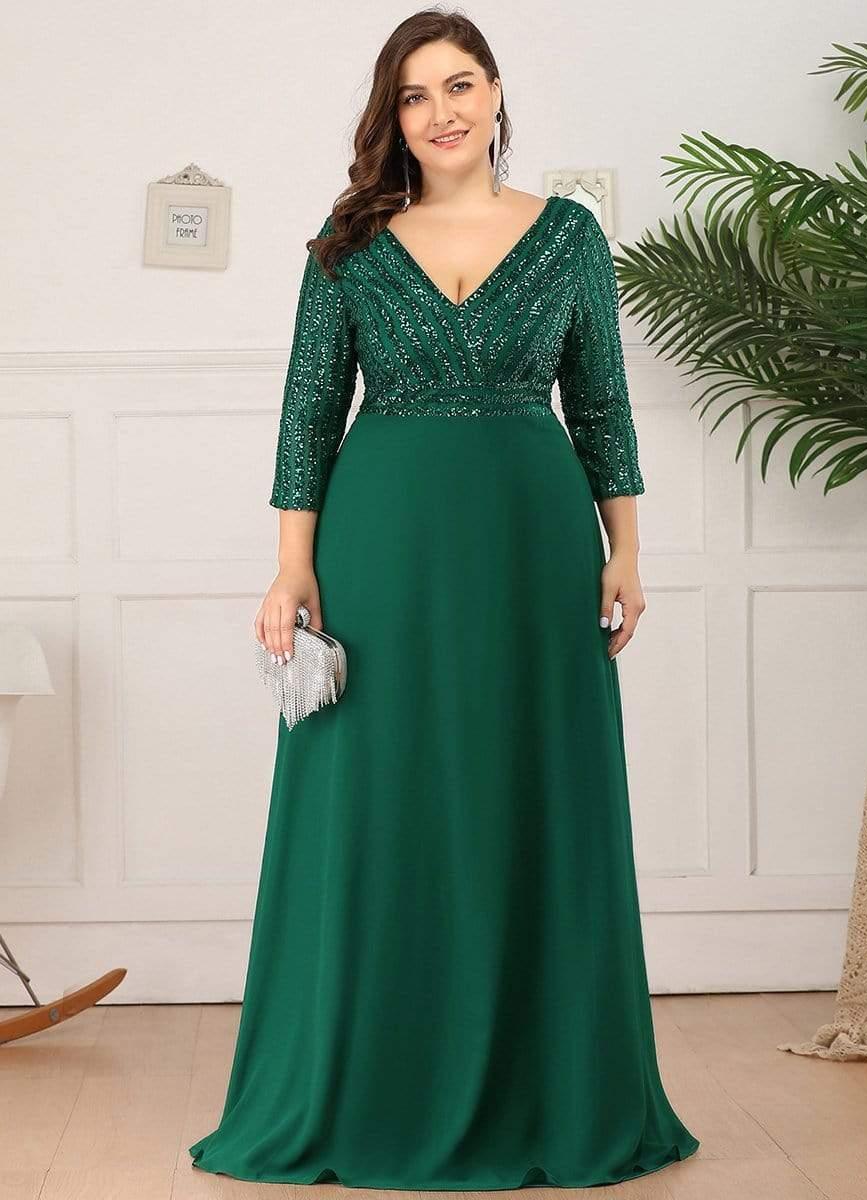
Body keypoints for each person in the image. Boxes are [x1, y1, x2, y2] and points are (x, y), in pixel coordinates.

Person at [188, 9, 701, 1189]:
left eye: (460, 85)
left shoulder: (567, 236)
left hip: (533, 544)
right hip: (382, 546)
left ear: (496, 92)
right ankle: (370, 1080)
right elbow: (308, 413)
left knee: (531, 785)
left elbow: (603, 405)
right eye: (415, 95)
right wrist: (292, 565)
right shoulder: (350, 242)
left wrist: (625, 548)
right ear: (394, 115)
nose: (441, 112)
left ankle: (545, 1083)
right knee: (380, 797)